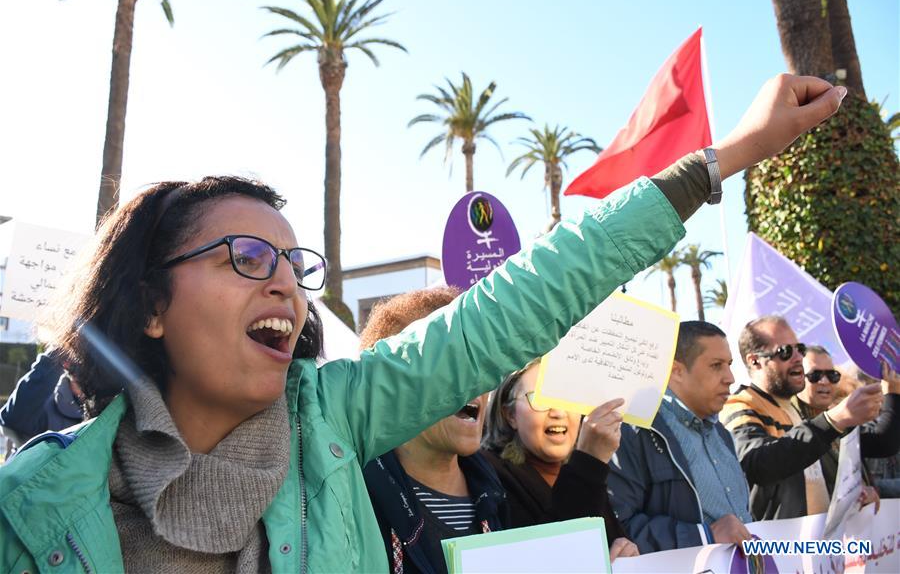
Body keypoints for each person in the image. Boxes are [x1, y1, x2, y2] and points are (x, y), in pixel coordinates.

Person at [0, 73, 845, 572]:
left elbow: (516, 303)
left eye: (298, 268)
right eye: (248, 259)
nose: (287, 290)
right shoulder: (27, 511)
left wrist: (723, 159)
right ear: (149, 304)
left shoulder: (331, 415)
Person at [360, 287, 506, 574]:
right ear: (392, 384)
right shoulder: (356, 499)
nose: (475, 380)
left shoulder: (496, 490)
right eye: (450, 364)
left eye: (482, 360)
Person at [721, 316, 900, 520]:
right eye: (785, 352)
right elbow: (757, 465)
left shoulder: (792, 409)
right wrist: (835, 420)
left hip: (821, 547)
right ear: (754, 361)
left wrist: (855, 495)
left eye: (800, 349)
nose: (798, 358)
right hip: (777, 547)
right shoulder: (741, 404)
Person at [608, 321, 752, 554]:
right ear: (676, 371)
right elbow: (619, 528)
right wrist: (704, 535)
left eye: (730, 365)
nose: (730, 378)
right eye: (716, 366)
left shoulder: (722, 435)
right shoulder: (635, 431)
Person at [482, 359, 638, 561]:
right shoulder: (491, 474)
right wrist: (590, 461)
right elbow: (550, 557)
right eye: (540, 399)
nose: (557, 412)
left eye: (568, 398)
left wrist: (625, 552)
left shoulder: (582, 471)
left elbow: (609, 546)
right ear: (510, 415)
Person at [794, 345, 900, 506]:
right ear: (798, 377)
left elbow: (883, 443)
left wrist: (867, 491)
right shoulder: (792, 425)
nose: (824, 381)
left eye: (832, 375)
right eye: (815, 375)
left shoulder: (842, 423)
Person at [0, 349, 84, 451]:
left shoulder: (104, 407)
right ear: (67, 364)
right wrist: (59, 351)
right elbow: (14, 419)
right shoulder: (45, 403)